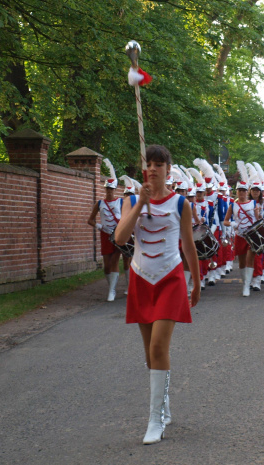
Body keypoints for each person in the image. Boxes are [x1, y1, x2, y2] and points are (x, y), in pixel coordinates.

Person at [114, 144, 200, 445]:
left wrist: (197, 282)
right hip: (140, 278)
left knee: (159, 347)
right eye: (148, 164)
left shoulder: (181, 204)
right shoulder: (131, 201)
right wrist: (140, 204)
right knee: (149, 351)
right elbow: (120, 237)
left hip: (170, 278)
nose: (153, 168)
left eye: (158, 164)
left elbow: (189, 246)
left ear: (168, 170)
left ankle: (154, 420)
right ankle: (162, 406)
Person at [222, 164, 262, 297]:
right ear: (237, 191)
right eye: (239, 190)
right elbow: (225, 221)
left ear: (247, 191)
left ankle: (247, 286)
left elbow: (258, 220)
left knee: (251, 259)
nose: (242, 193)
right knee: (242, 261)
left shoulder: (254, 204)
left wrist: (258, 214)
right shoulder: (233, 205)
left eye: (244, 190)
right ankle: (245, 282)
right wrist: (232, 224)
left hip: (251, 235)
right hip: (240, 235)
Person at [87, 163, 122, 302]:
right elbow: (90, 220)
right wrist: (100, 227)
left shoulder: (121, 202)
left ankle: (112, 291)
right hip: (105, 234)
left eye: (112, 189)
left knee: (114, 261)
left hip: (118, 234)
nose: (109, 192)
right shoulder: (100, 203)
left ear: (115, 190)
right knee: (106, 265)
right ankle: (111, 286)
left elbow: (127, 217)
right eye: (107, 189)